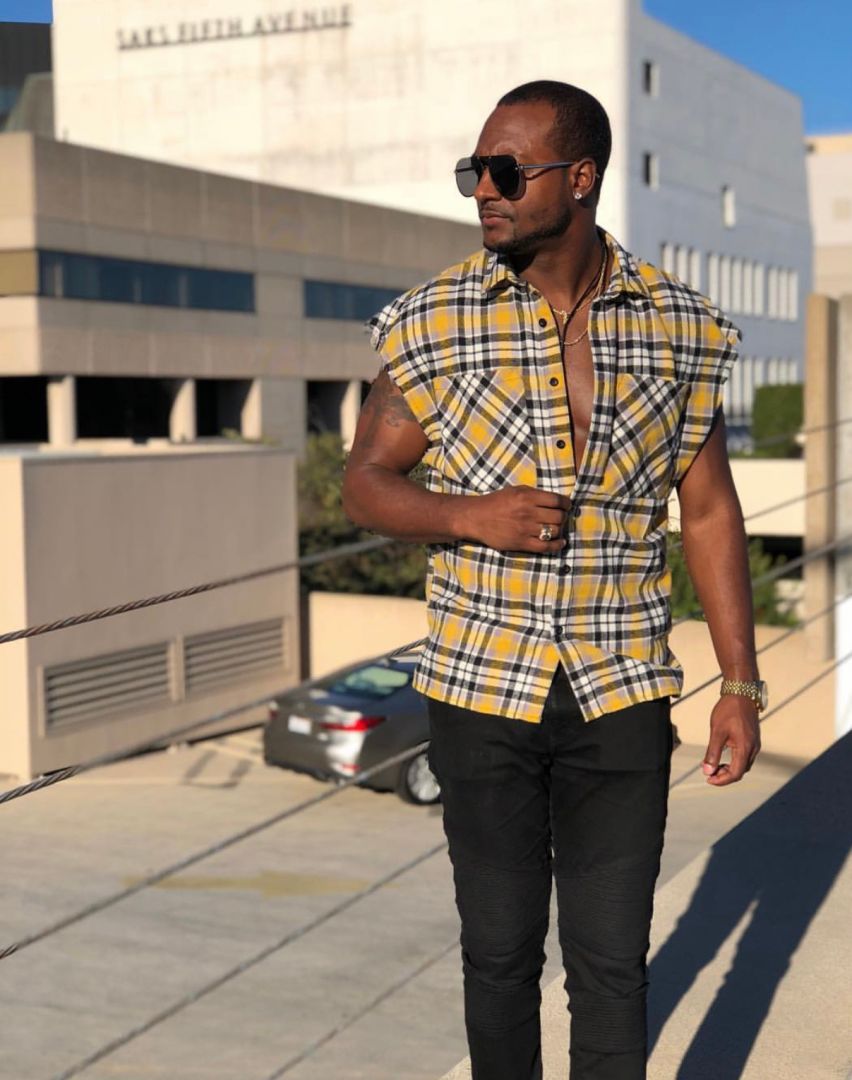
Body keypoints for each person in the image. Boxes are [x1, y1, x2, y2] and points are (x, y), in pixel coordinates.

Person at [341, 80, 766, 1080]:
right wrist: (467, 514)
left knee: (611, 966)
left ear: (580, 178)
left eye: (505, 171)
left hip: (621, 690)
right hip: (480, 689)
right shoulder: (434, 319)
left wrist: (740, 684)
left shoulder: (680, 325)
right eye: (474, 173)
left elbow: (708, 510)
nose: (483, 191)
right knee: (498, 959)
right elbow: (364, 483)